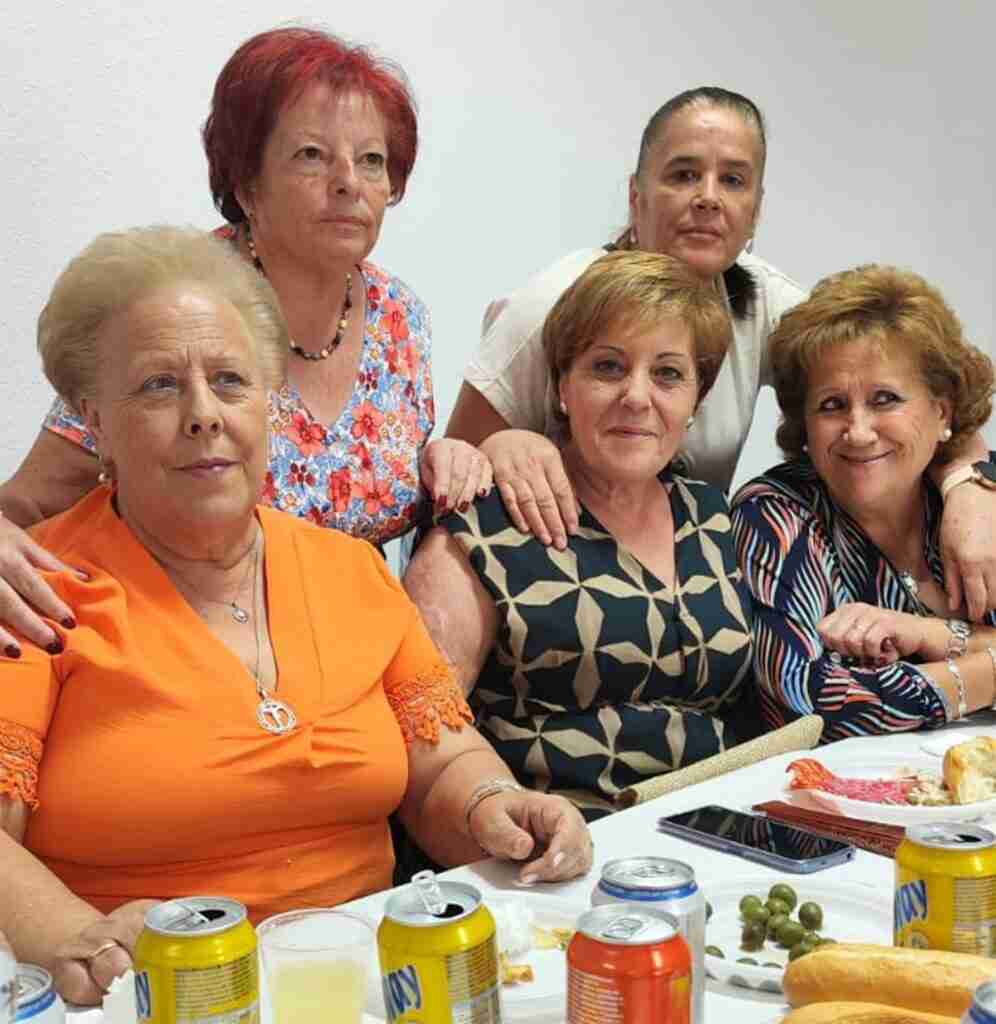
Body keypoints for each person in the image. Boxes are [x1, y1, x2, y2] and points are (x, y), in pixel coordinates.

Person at [0, 227, 592, 1006]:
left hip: (367, 983)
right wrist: (72, 933)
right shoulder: (31, 589)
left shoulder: (349, 570)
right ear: (94, 420)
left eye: (232, 381)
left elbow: (442, 764)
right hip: (153, 991)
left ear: (270, 404)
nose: (204, 414)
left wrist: (495, 806)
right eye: (157, 387)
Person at [0, 25, 489, 656]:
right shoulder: (170, 304)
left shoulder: (401, 316)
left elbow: (393, 492)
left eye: (372, 161)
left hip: (353, 652)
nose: (349, 182)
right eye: (312, 155)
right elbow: (30, 502)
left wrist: (451, 458)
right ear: (244, 181)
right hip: (181, 647)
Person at [445, 86, 996, 620]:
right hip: (546, 582)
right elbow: (451, 484)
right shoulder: (547, 307)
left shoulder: (766, 303)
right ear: (637, 196)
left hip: (684, 583)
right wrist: (501, 442)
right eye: (684, 174)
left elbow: (921, 392)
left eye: (732, 180)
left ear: (754, 212)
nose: (708, 197)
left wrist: (969, 488)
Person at [405, 251, 757, 820]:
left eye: (667, 373)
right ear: (562, 387)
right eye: (608, 368)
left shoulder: (716, 518)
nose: (637, 397)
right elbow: (418, 729)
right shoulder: (484, 524)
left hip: (719, 834)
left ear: (696, 398)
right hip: (550, 846)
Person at [730, 265, 996, 742]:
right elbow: (809, 707)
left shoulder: (982, 502)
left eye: (885, 399)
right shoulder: (774, 513)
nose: (858, 430)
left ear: (942, 412)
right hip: (837, 805)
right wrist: (987, 671)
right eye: (832, 405)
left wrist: (928, 635)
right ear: (804, 426)